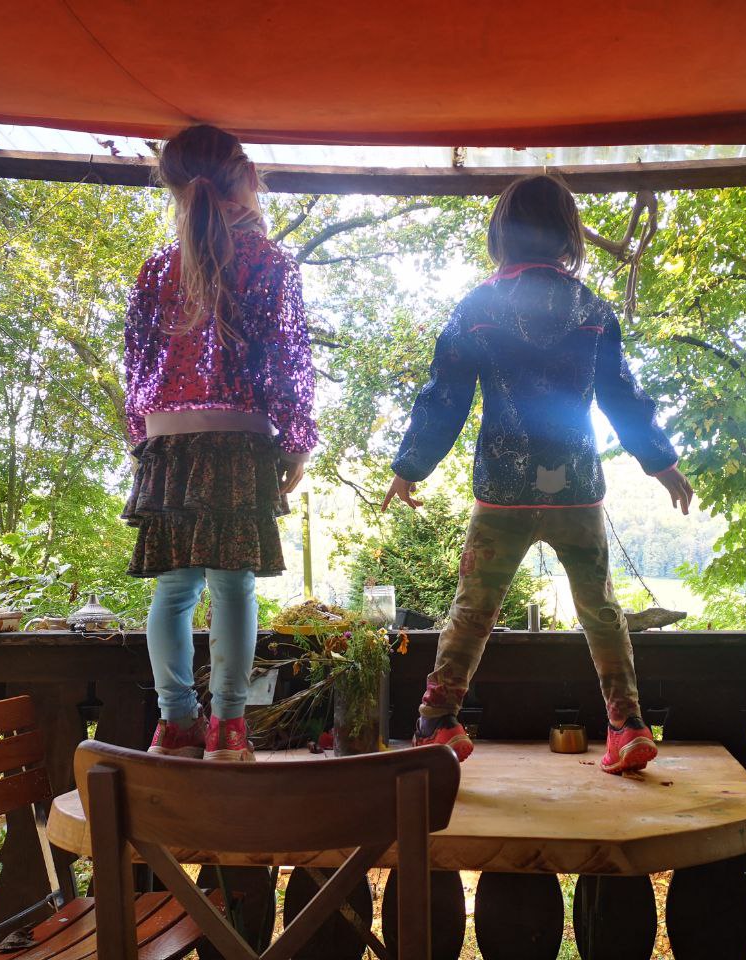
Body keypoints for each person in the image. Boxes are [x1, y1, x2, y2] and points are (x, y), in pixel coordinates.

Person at [383, 174, 693, 774]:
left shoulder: (477, 308)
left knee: (473, 608)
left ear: (502, 233)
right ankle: (627, 724)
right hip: (576, 486)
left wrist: (410, 466)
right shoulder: (592, 309)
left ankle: (437, 719)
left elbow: (444, 396)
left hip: (503, 489)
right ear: (567, 234)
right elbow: (622, 395)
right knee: (601, 609)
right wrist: (661, 460)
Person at [123, 124, 317, 761]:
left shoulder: (157, 267)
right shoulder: (269, 262)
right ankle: (229, 728)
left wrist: (142, 441)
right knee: (233, 588)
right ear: (248, 177)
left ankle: (174, 723)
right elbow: (287, 362)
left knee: (173, 590)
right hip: (238, 440)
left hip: (168, 443)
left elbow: (136, 366)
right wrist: (296, 439)